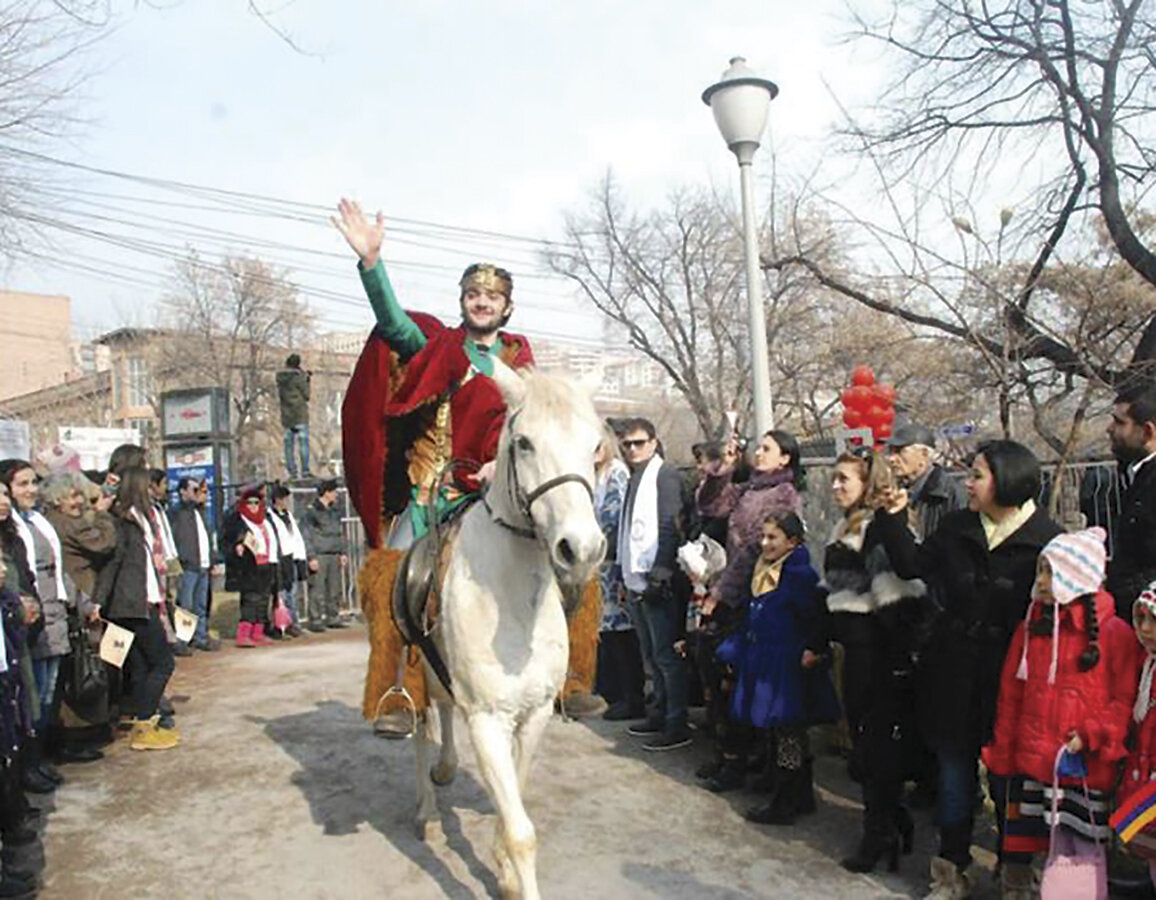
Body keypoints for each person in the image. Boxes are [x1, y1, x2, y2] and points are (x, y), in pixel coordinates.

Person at [333, 197, 602, 736]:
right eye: (474, 294)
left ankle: (572, 676)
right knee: (393, 572)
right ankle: (400, 693)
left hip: (504, 491)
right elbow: (392, 323)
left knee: (577, 560)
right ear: (463, 302)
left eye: (493, 296)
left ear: (507, 307)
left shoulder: (522, 362)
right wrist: (372, 264)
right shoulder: (436, 348)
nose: (482, 302)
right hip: (435, 493)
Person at [874, 440, 1062, 899]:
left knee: (1009, 785)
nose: (967, 483)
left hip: (1013, 679)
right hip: (954, 671)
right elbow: (912, 564)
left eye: (977, 475)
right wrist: (894, 518)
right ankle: (950, 870)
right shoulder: (959, 527)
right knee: (956, 777)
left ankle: (1014, 873)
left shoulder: (1048, 539)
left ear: (1008, 479)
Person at [982, 527, 1136, 899]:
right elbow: (1011, 696)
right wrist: (1002, 753)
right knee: (1019, 851)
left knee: (1077, 855)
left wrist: (1093, 733)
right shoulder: (1031, 628)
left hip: (1081, 766)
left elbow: (1123, 701)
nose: (1042, 582)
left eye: (1051, 572)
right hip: (1030, 763)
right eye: (1041, 572)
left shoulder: (1114, 635)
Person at [823, 450, 927, 874]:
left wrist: (892, 659)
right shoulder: (846, 525)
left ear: (868, 484)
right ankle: (887, 822)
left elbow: (897, 599)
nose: (835, 486)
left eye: (844, 479)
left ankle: (880, 832)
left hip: (877, 655)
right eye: (833, 478)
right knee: (866, 747)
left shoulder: (877, 529)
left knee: (876, 749)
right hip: (854, 649)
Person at [717, 511, 840, 824]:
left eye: (773, 537)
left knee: (789, 733)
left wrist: (813, 648)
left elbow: (816, 615)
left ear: (793, 541)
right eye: (764, 536)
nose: (765, 543)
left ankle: (787, 799)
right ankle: (794, 791)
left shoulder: (799, 575)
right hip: (767, 659)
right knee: (777, 730)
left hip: (787, 664)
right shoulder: (766, 569)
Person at [92, 467, 179, 751]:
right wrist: (98, 600)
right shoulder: (124, 521)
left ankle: (146, 725)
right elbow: (112, 564)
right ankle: (143, 721)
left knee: (142, 666)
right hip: (132, 604)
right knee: (164, 662)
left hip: (145, 599)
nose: (152, 490)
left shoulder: (141, 518)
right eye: (146, 486)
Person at [617, 418, 689, 752]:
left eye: (639, 442)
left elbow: (671, 526)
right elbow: (627, 528)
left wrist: (659, 574)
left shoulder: (665, 475)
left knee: (665, 655)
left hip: (657, 581)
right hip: (635, 580)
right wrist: (623, 574)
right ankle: (659, 712)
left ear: (654, 442)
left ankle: (676, 722)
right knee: (650, 653)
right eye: (627, 443)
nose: (632, 449)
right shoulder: (635, 477)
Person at [0, 460, 72, 791]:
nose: (30, 490)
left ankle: (37, 760)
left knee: (44, 695)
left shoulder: (32, 522)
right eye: (21, 485)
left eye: (33, 483)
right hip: (22, 624)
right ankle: (27, 767)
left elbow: (53, 570)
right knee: (29, 699)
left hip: (48, 615)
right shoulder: (13, 527)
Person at [40, 472, 114, 763]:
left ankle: (82, 728)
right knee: (82, 668)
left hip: (79, 597)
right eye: (72, 496)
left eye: (80, 495)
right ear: (57, 500)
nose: (79, 501)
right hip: (77, 597)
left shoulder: (55, 521)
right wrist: (103, 515)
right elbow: (103, 543)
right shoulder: (64, 524)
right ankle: (78, 732)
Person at [592, 427, 641, 721]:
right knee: (606, 633)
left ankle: (630, 695)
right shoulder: (593, 475)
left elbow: (613, 519)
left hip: (613, 563)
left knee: (622, 632)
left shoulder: (616, 473)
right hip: (598, 566)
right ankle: (610, 692)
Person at [1106, 381, 1156, 619]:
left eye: (1119, 422)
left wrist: (1124, 596)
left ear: (1147, 432)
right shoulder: (1137, 476)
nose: (1109, 429)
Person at [1121, 580, 1156, 888]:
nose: (1144, 628)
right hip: (1144, 772)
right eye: (1140, 618)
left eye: (1152, 620)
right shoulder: (1147, 663)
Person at [886, 424, 966, 542]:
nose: (891, 458)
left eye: (899, 451)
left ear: (924, 454)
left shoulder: (949, 493)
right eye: (891, 451)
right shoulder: (892, 491)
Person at [222, 485, 278, 648]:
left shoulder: (265, 520)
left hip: (266, 565)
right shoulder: (237, 520)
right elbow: (227, 540)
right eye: (249, 503)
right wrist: (236, 546)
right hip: (248, 566)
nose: (253, 506)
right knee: (250, 600)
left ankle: (258, 633)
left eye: (256, 502)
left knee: (263, 600)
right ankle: (243, 634)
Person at [169, 477, 219, 651]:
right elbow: (174, 538)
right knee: (186, 605)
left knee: (201, 604)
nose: (198, 493)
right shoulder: (177, 512)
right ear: (183, 491)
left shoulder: (200, 512)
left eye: (199, 490)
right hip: (188, 565)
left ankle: (201, 637)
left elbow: (207, 536)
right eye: (194, 490)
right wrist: (179, 561)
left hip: (203, 565)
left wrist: (212, 559)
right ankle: (182, 640)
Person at [301, 479, 347, 632]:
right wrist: (311, 556)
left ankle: (333, 616)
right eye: (334, 491)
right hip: (320, 554)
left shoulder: (335, 511)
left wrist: (343, 552)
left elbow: (340, 533)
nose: (336, 494)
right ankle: (315, 619)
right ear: (326, 492)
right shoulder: (311, 512)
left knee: (334, 589)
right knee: (317, 589)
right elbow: (306, 535)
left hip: (334, 554)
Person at [268, 484, 307, 639]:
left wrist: (300, 557)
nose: (286, 502)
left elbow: (295, 537)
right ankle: (280, 625)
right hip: (280, 559)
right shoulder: (270, 516)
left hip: (291, 557)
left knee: (292, 593)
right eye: (284, 499)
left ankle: (292, 623)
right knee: (281, 594)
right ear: (277, 500)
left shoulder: (288, 516)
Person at [277, 353, 312, 480]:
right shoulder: (299, 377)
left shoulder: (280, 378)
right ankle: (305, 472)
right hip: (300, 415)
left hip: (287, 417)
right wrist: (307, 380)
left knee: (288, 445)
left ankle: (292, 472)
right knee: (303, 443)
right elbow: (307, 395)